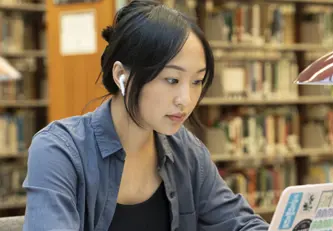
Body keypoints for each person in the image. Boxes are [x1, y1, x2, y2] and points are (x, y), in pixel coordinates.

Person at [22, 0, 270, 230]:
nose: (186, 99)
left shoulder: (186, 151)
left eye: (197, 81)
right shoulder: (59, 150)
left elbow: (239, 223)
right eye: (171, 79)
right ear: (122, 76)